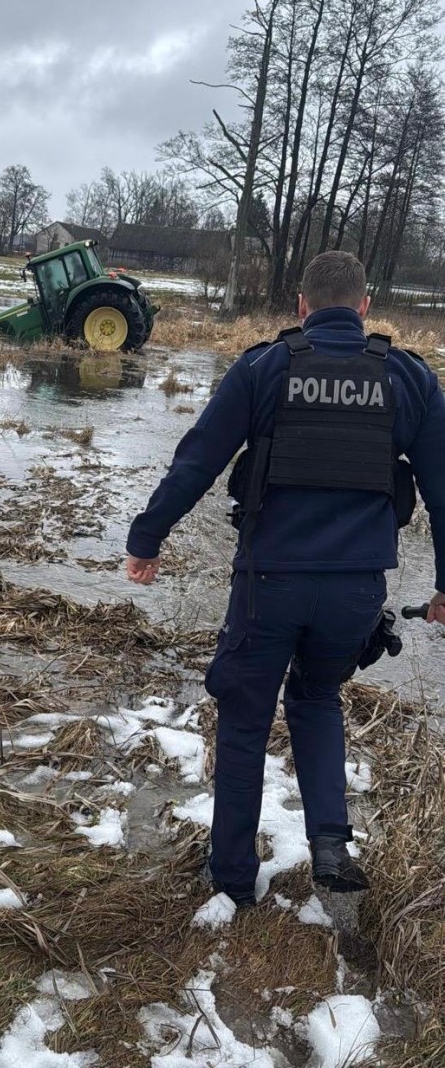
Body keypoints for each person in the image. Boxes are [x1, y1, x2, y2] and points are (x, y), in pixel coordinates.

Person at [126, 251, 445, 906]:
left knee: (246, 720)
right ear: (364, 308)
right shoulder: (409, 377)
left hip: (268, 584)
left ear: (301, 305)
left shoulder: (264, 367)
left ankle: (233, 881)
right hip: (357, 590)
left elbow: (197, 461)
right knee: (317, 696)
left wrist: (147, 539)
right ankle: (329, 841)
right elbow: (443, 490)